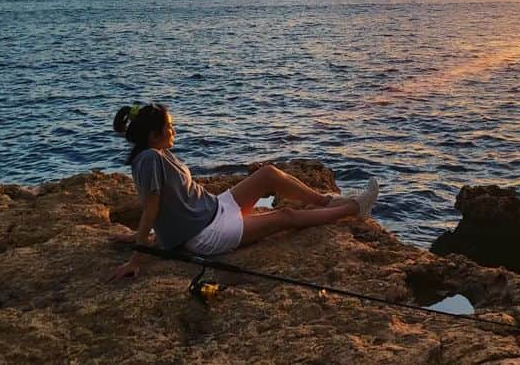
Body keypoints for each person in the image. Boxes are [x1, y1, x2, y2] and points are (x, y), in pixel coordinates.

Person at [108, 103, 379, 281]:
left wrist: (145, 237)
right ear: (154, 135)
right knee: (284, 216)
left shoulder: (156, 153)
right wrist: (136, 255)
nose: (174, 130)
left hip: (214, 208)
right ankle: (355, 207)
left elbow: (168, 207)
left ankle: (325, 201)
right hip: (206, 234)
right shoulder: (150, 160)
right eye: (169, 127)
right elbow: (152, 208)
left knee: (268, 174)